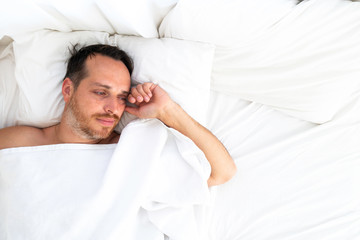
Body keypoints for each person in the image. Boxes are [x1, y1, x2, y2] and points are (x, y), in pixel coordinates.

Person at [0, 44, 236, 187]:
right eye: (101, 92)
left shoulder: (131, 152)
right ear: (68, 90)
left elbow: (221, 172)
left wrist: (168, 111)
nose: (113, 108)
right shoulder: (18, 143)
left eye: (122, 97)